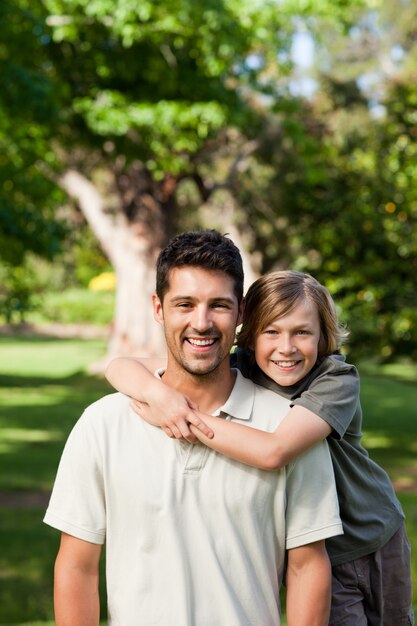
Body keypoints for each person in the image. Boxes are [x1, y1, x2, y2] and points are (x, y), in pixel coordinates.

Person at [44, 230, 343, 626]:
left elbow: (307, 568)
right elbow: (77, 568)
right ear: (158, 308)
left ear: (240, 313)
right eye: (184, 304)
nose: (201, 323)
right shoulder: (103, 424)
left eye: (218, 305)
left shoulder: (290, 427)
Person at [106, 269, 414, 626]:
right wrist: (158, 395)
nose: (286, 348)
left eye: (302, 332)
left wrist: (182, 418)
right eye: (272, 332)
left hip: (377, 535)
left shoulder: (335, 380)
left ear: (323, 335)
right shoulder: (243, 369)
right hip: (321, 551)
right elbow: (120, 367)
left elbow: (274, 451)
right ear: (250, 337)